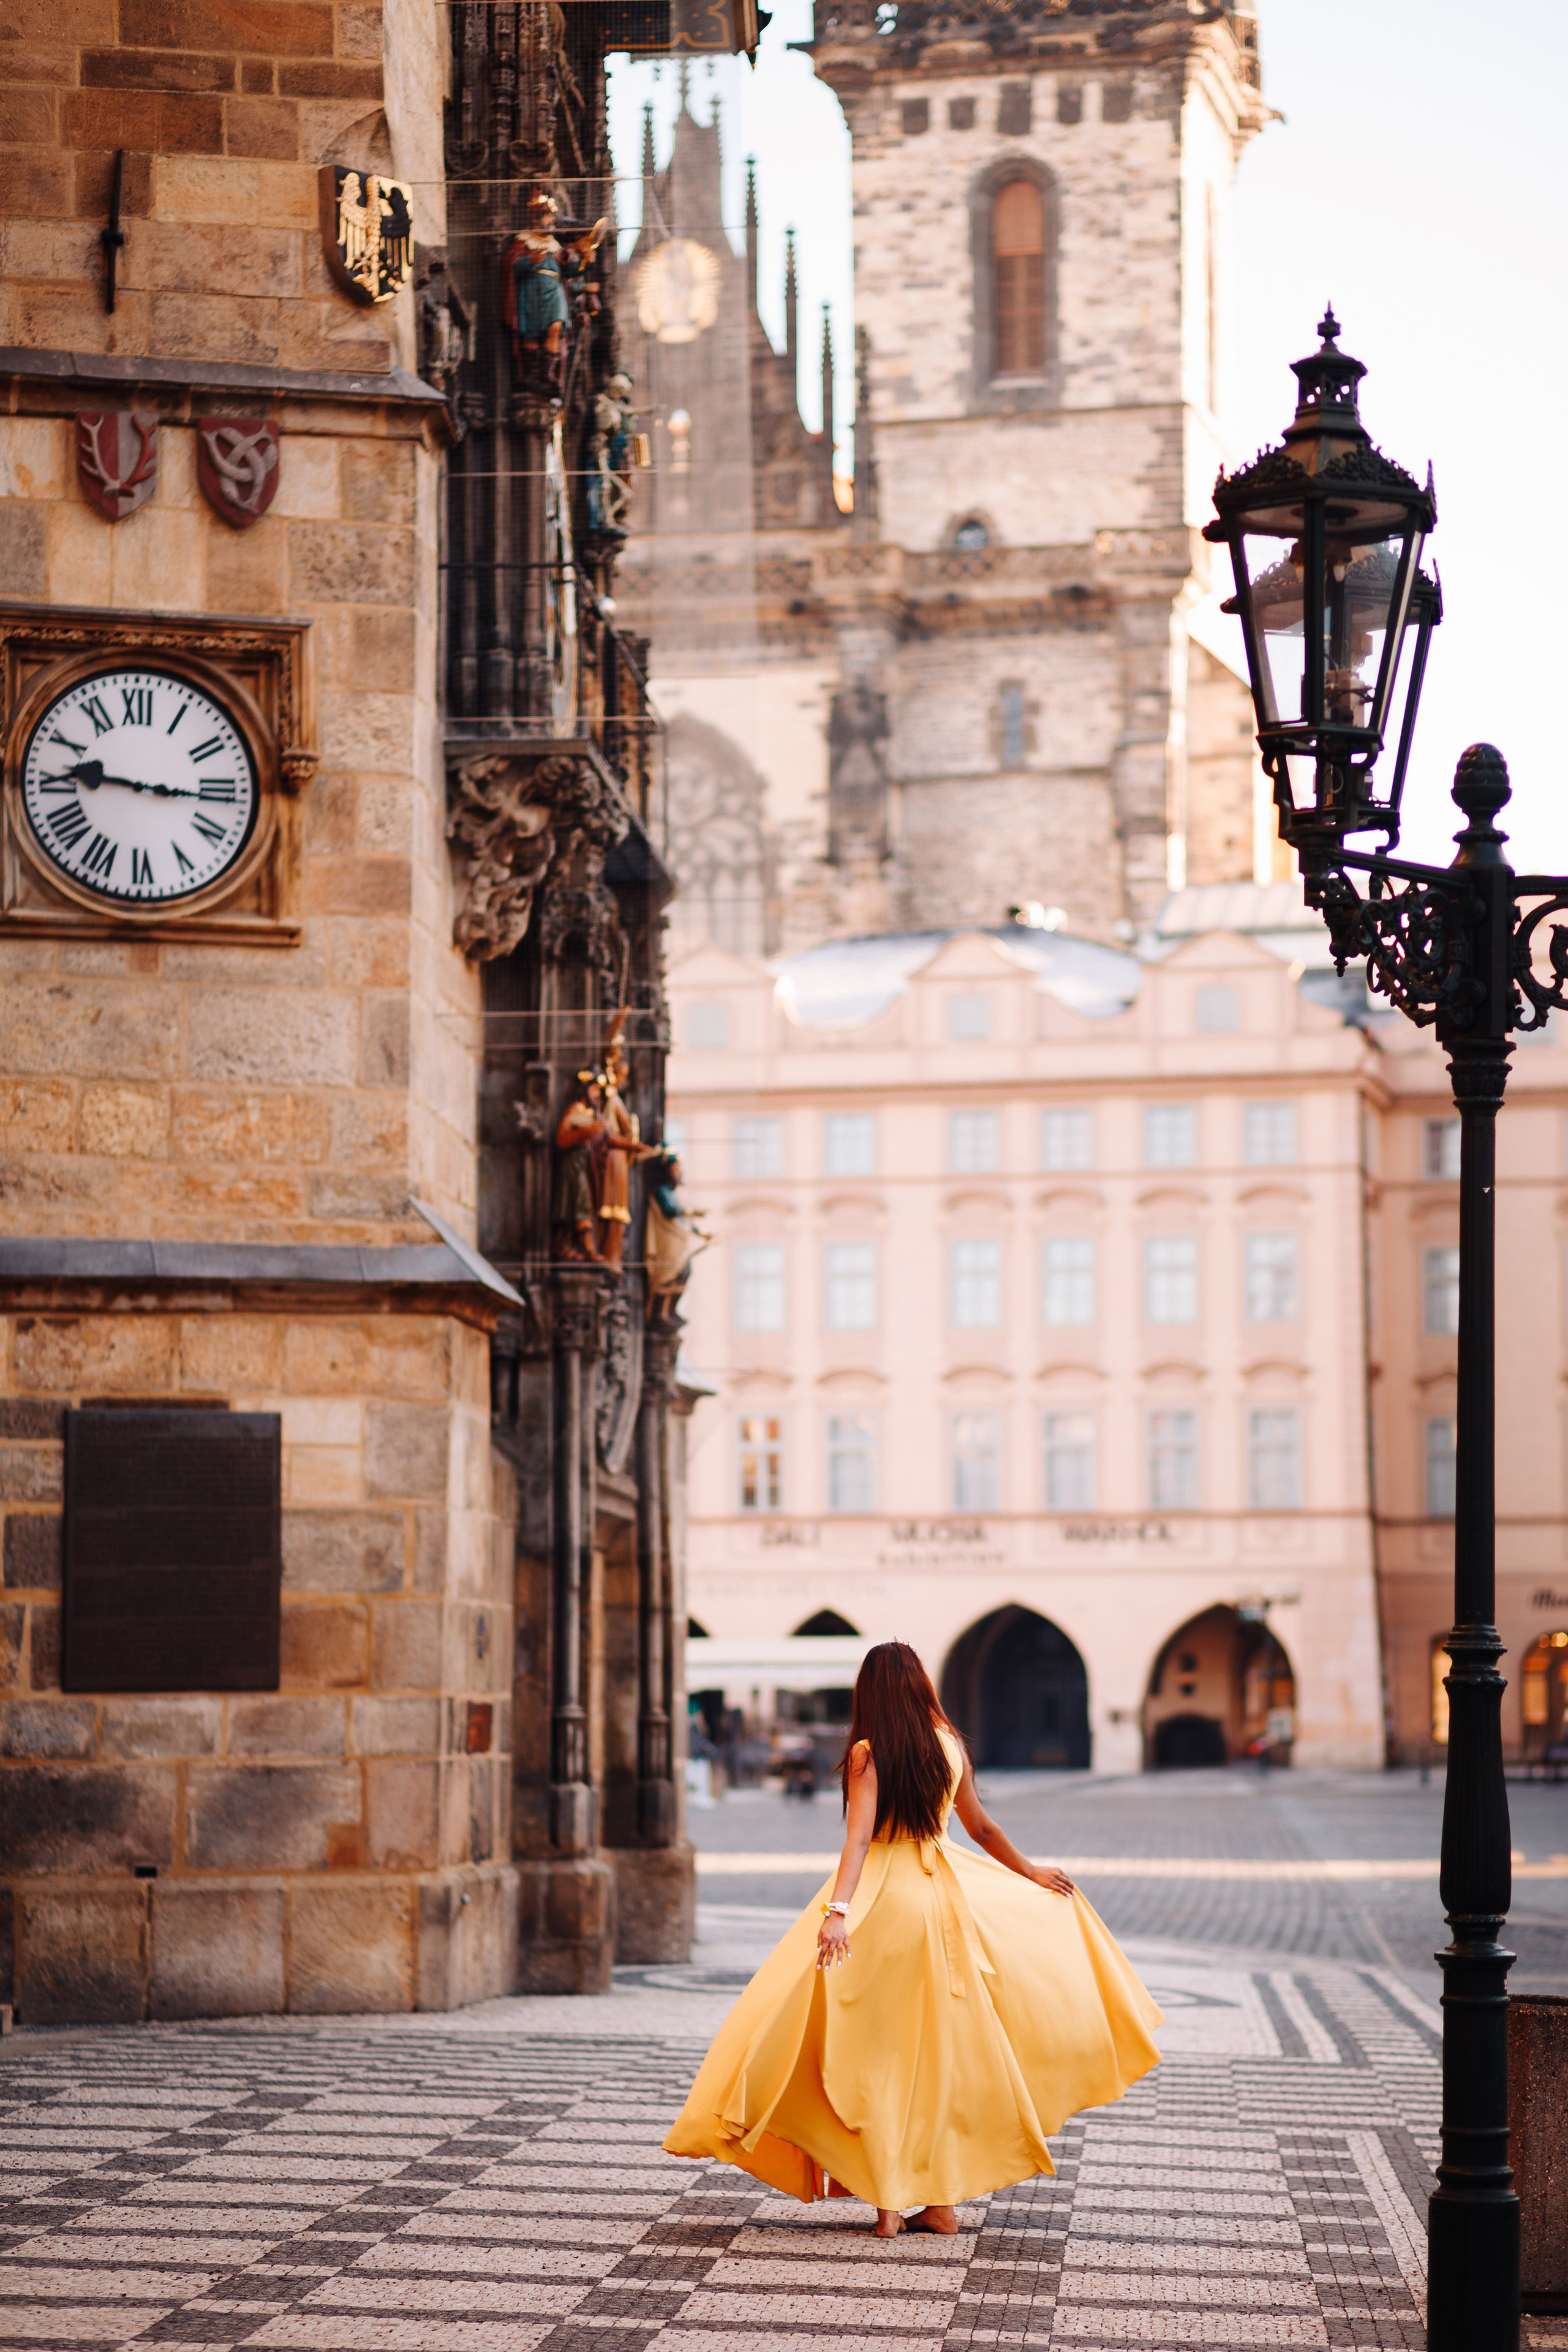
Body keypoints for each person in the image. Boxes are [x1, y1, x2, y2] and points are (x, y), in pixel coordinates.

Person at [664, 1639, 1161, 2236]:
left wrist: (837, 1911)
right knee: (940, 2057)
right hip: (944, 1903)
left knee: (868, 2052)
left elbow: (857, 1841)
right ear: (921, 1684)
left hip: (883, 1902)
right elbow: (980, 1827)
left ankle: (888, 2207)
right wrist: (1030, 1872)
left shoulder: (867, 1753)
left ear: (868, 1692)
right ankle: (941, 2204)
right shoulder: (949, 1745)